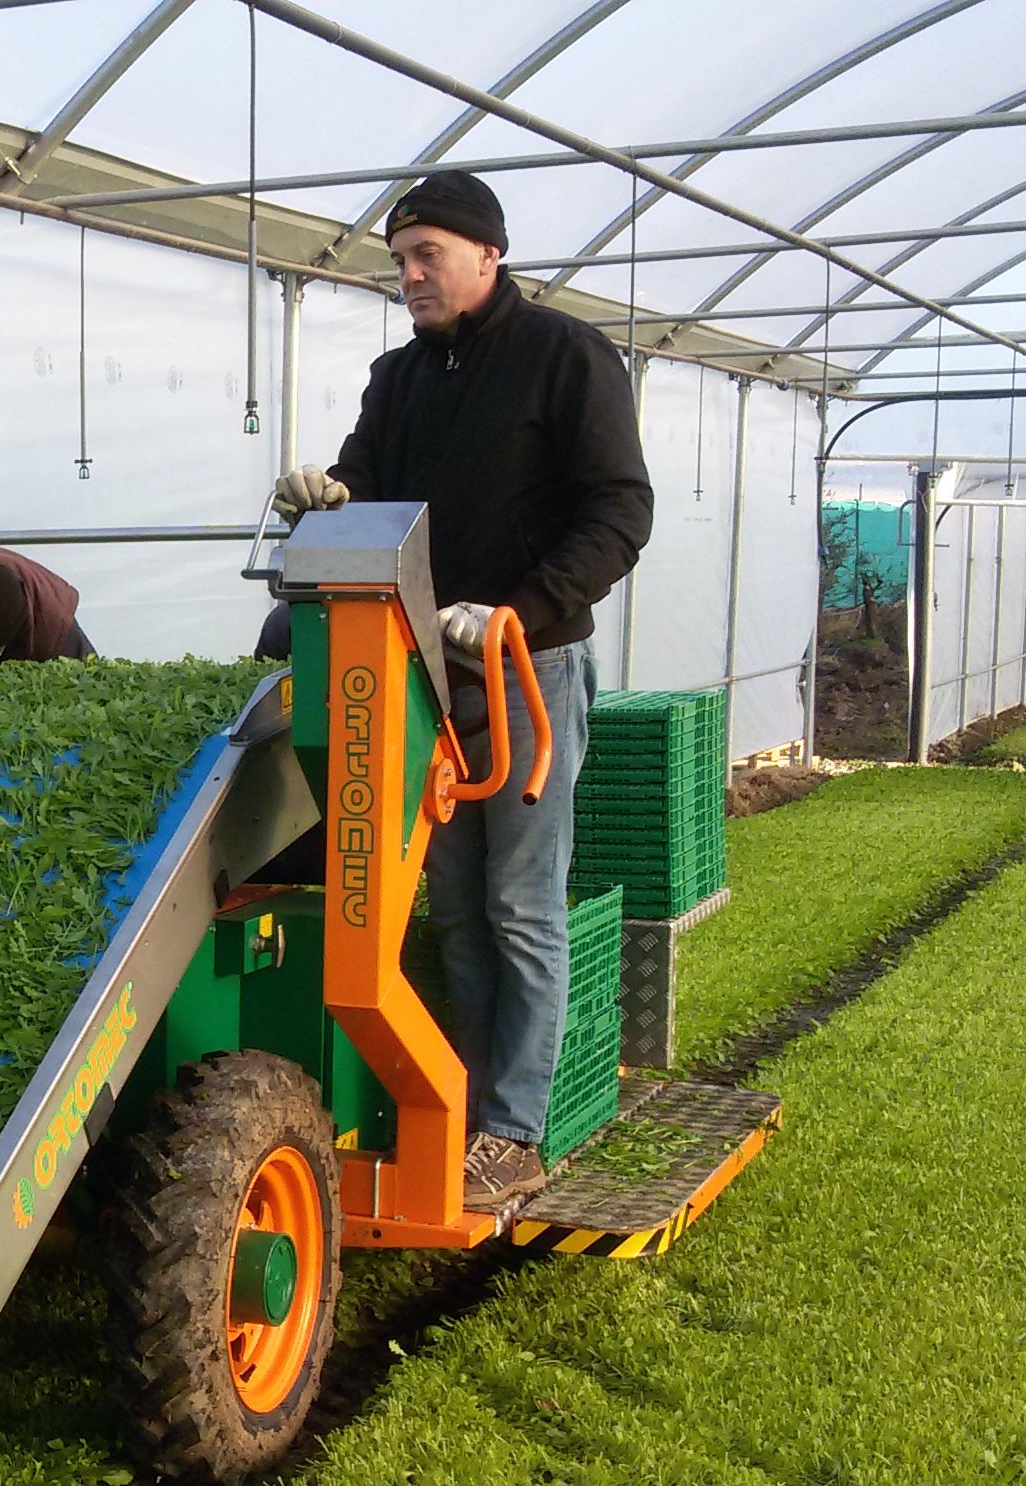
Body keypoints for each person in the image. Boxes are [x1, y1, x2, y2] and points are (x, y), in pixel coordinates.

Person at [261, 169, 654, 1208]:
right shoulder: (400, 380)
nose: (411, 275)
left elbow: (621, 509)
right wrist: (327, 499)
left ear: (489, 254)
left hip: (527, 669)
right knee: (456, 913)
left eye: (427, 255)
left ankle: (515, 1131)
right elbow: (368, 501)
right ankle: (466, 1106)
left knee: (520, 903)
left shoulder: (565, 357)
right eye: (400, 260)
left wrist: (521, 608)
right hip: (426, 674)